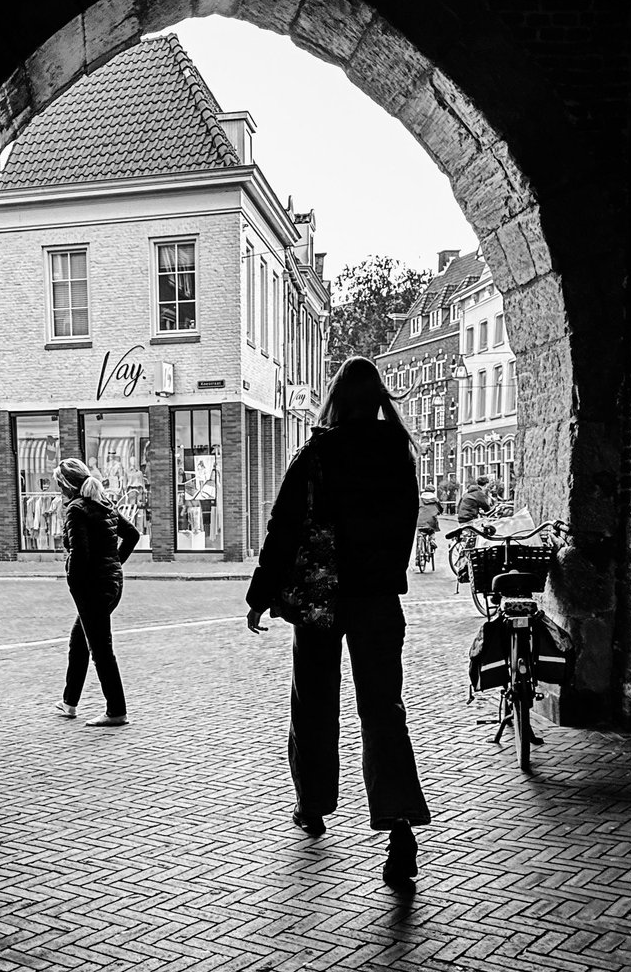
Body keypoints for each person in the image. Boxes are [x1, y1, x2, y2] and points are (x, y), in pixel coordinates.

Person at [245, 356, 431, 883]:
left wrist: (261, 594)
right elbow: (405, 528)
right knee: (382, 709)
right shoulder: (398, 453)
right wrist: (385, 576)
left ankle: (313, 804)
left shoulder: (318, 452)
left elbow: (283, 526)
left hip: (320, 600)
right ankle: (399, 828)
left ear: (335, 398)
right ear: (378, 400)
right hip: (376, 601)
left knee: (314, 702)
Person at [53, 457, 140, 727]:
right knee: (79, 641)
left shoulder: (77, 509)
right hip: (112, 583)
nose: (58, 490)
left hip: (92, 588)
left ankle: (116, 711)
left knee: (101, 650)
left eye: (58, 485)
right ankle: (69, 702)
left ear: (67, 486)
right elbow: (133, 535)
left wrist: (73, 582)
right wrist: (114, 564)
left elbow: (79, 553)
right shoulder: (103, 503)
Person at [416, 484, 442, 567]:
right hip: (431, 521)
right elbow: (440, 509)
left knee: (419, 536)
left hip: (420, 521)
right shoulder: (435, 500)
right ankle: (432, 540)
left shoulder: (420, 500)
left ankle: (418, 559)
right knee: (431, 530)